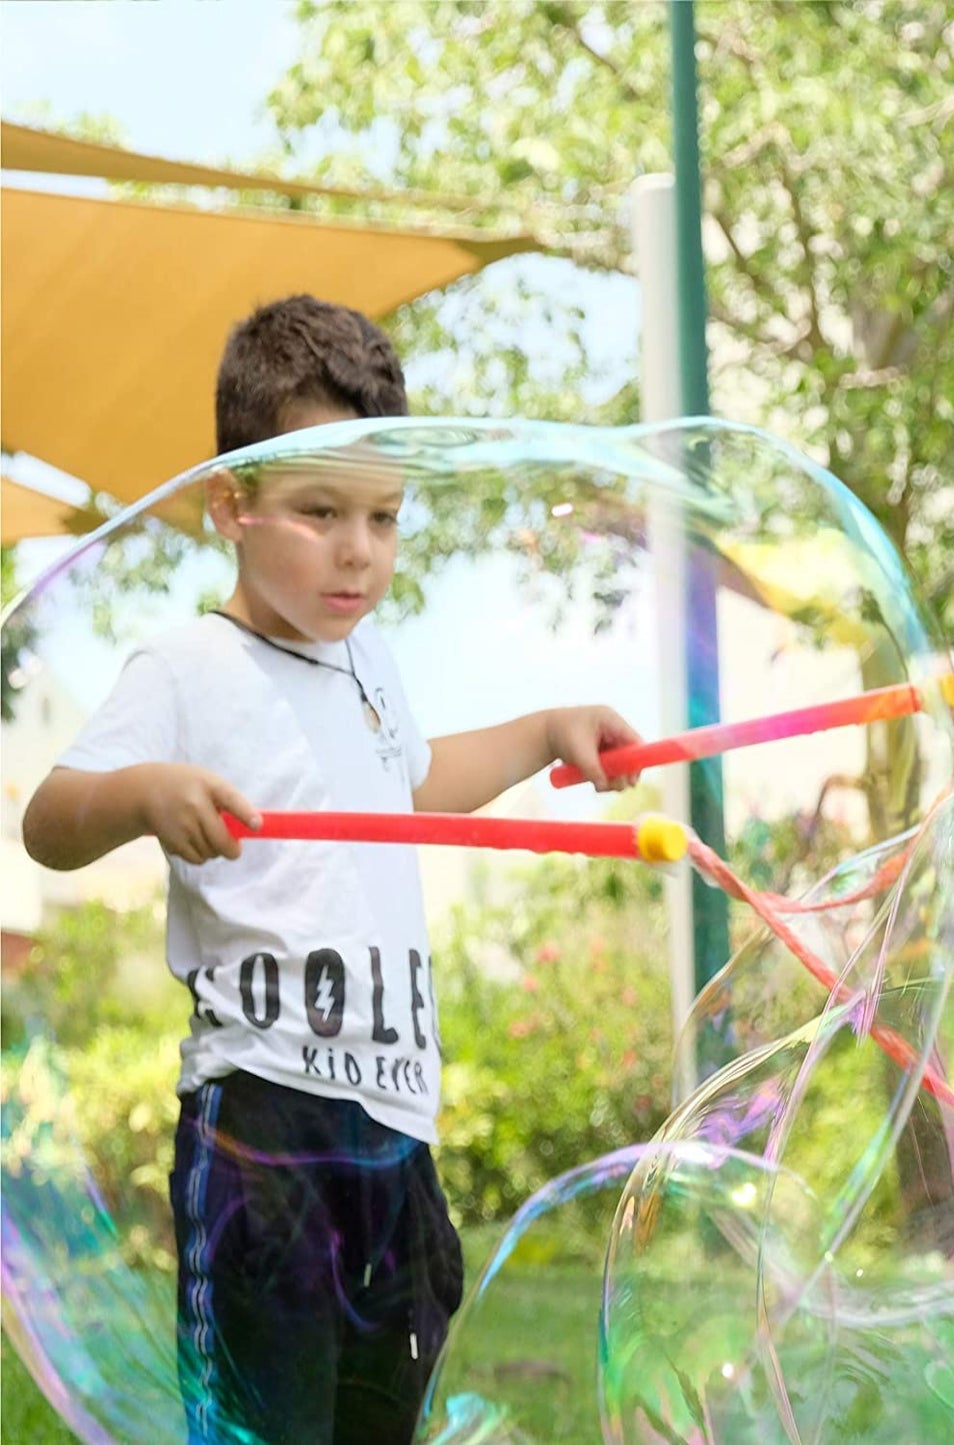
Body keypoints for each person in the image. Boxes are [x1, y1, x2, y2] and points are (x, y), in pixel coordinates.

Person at [22, 295, 643, 1445]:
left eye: (383, 517)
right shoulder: (187, 666)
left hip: (393, 1126)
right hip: (264, 1125)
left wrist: (542, 726)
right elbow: (50, 818)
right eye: (319, 511)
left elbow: (409, 785)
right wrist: (148, 792)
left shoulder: (369, 664)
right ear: (232, 504)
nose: (358, 548)